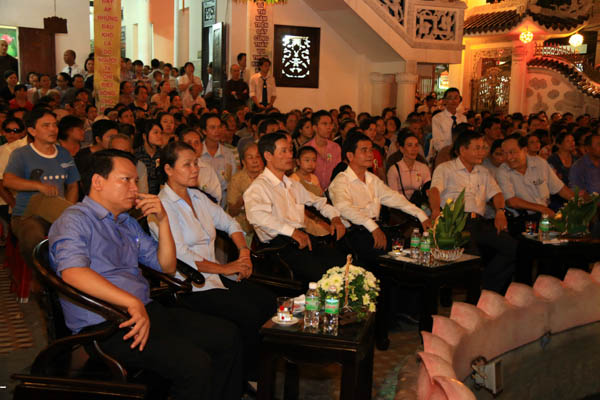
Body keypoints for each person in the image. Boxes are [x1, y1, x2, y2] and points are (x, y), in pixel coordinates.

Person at [49, 149, 243, 400]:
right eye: (126, 180)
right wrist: (131, 303)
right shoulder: (74, 220)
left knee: (228, 335)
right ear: (98, 182)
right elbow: (73, 273)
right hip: (107, 324)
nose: (135, 188)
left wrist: (163, 221)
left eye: (136, 180)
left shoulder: (126, 222)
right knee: (194, 364)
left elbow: (167, 266)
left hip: (145, 311)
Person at [151, 141, 274, 382]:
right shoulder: (161, 207)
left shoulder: (197, 197)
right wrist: (225, 267)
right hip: (190, 286)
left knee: (267, 301)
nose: (195, 169)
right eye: (187, 165)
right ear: (168, 169)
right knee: (248, 313)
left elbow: (230, 223)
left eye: (196, 163)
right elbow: (181, 255)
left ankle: (258, 369)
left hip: (217, 277)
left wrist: (244, 253)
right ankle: (248, 376)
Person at [244, 132, 347, 282]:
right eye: (283, 151)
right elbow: (258, 216)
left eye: (290, 150)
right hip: (279, 247)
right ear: (268, 155)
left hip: (302, 238)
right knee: (325, 277)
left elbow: (318, 202)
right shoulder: (258, 187)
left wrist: (335, 218)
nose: (289, 155)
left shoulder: (292, 184)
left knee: (344, 265)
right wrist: (291, 232)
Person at [429, 130, 516, 294]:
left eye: (483, 148)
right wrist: (435, 210)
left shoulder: (483, 172)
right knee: (473, 258)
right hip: (457, 224)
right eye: (477, 148)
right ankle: (474, 298)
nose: (482, 152)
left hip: (479, 223)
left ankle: (488, 288)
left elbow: (497, 194)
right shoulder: (445, 168)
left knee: (511, 247)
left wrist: (500, 212)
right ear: (463, 150)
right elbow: (434, 191)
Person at [329, 133, 431, 265]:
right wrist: (373, 227)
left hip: (377, 228)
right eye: (364, 150)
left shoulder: (372, 179)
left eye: (371, 150)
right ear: (350, 156)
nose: (370, 154)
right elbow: (345, 208)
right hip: (355, 235)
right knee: (391, 260)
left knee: (411, 249)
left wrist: (420, 214)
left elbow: (394, 198)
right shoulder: (341, 181)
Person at [4, 108, 80, 268]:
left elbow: (73, 185)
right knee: (33, 238)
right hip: (27, 215)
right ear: (32, 131)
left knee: (82, 234)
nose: (53, 129)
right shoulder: (21, 154)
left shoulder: (64, 154)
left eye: (54, 125)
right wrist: (38, 186)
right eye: (46, 125)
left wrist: (68, 209)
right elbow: (8, 181)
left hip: (57, 212)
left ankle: (72, 276)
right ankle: (40, 278)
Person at [497, 134, 574, 218]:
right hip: (522, 217)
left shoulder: (540, 163)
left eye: (512, 152)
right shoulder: (503, 171)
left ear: (524, 150)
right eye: (504, 153)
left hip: (545, 213)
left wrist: (578, 201)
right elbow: (511, 201)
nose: (508, 157)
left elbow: (560, 188)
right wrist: (542, 209)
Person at [227, 142, 264, 244]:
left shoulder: (268, 177)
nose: (255, 161)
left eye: (258, 157)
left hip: (265, 227)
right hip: (243, 228)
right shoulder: (237, 179)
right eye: (250, 157)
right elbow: (232, 212)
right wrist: (242, 201)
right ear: (243, 161)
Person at [199, 113, 238, 208]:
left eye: (219, 127)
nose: (217, 131)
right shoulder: (197, 154)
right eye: (213, 127)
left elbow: (234, 180)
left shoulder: (228, 153)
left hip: (224, 203)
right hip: (202, 202)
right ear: (204, 131)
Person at [179, 127, 222, 203]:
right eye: (189, 143)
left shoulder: (207, 169)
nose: (193, 146)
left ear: (202, 147)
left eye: (196, 143)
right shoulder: (176, 169)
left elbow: (217, 198)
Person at [304, 110, 341, 191]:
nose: (329, 127)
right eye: (324, 124)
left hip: (333, 191)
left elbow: (339, 173)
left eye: (330, 124)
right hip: (312, 192)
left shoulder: (335, 147)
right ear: (315, 127)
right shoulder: (307, 148)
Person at [387, 132, 431, 199]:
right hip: (400, 203)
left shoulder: (423, 168)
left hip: (419, 203)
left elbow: (428, 190)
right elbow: (393, 196)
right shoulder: (394, 169)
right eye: (410, 145)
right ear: (402, 149)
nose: (414, 149)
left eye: (416, 145)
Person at [430, 87, 467, 158]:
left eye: (456, 98)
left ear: (459, 100)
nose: (453, 101)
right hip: (444, 154)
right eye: (450, 98)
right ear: (444, 101)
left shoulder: (463, 118)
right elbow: (437, 142)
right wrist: (451, 151)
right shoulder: (437, 118)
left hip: (461, 155)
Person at [134, 119, 163, 195]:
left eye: (161, 133)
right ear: (144, 136)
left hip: (160, 195)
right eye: (155, 132)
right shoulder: (136, 155)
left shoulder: (163, 154)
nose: (159, 136)